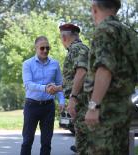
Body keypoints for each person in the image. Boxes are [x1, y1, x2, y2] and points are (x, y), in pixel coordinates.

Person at [84, 0, 138, 154]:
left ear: (94, 9)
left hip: (105, 112)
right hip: (123, 110)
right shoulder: (128, 33)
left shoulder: (105, 30)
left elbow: (105, 68)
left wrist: (94, 106)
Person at [21, 36, 64, 155]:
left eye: (48, 48)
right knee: (27, 140)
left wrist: (61, 101)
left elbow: (60, 84)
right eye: (42, 48)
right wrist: (45, 88)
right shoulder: (27, 64)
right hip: (31, 106)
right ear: (36, 48)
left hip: (48, 107)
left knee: (46, 142)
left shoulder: (55, 64)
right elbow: (28, 84)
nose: (45, 50)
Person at [59, 23, 89, 154]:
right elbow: (74, 78)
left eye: (61, 38)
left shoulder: (77, 49)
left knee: (85, 145)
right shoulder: (78, 49)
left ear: (64, 37)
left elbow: (81, 73)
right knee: (82, 144)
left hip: (83, 103)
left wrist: (73, 98)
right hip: (82, 102)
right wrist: (59, 87)